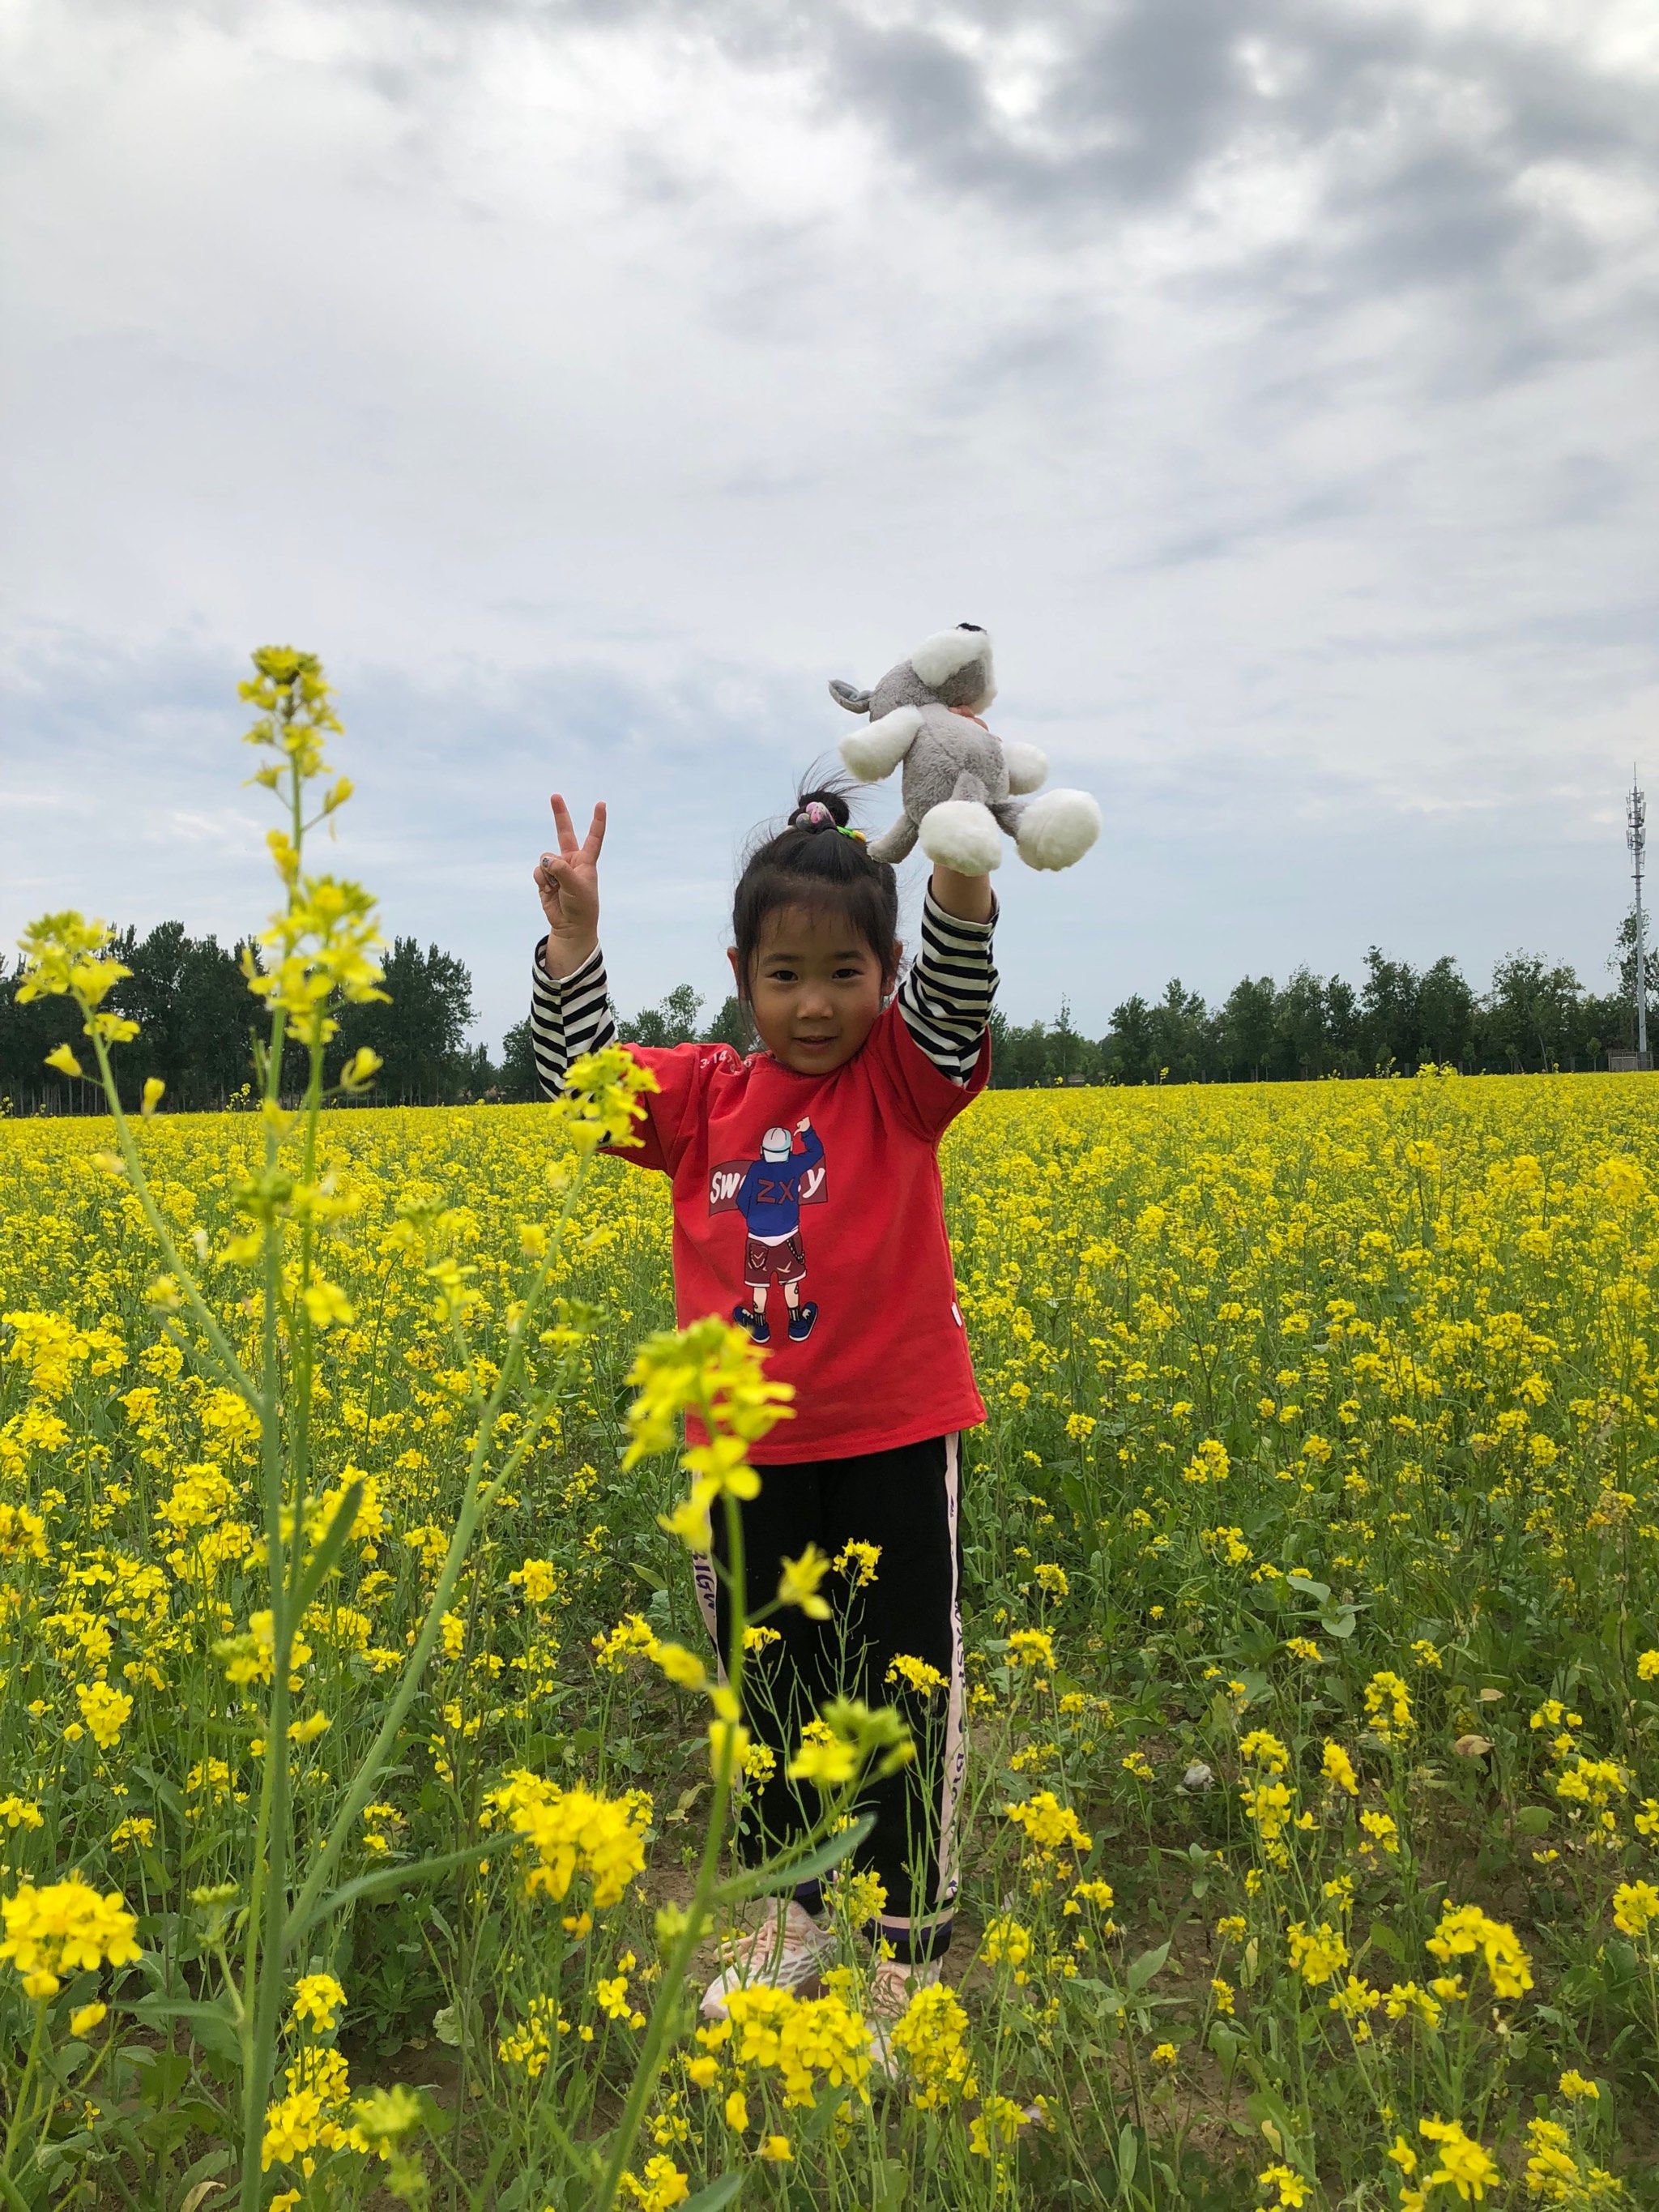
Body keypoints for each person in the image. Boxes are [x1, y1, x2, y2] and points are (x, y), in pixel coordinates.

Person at [527, 778, 997, 2043]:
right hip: (740, 1459)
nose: (814, 1003)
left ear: (887, 970)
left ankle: (902, 1944)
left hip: (897, 1438)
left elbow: (956, 1011)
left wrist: (958, 869)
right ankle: (788, 1911)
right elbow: (584, 1085)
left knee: (907, 1686)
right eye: (785, 974)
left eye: (845, 972)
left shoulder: (903, 1078)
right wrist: (574, 942)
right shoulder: (703, 1097)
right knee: (770, 1688)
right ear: (743, 974)